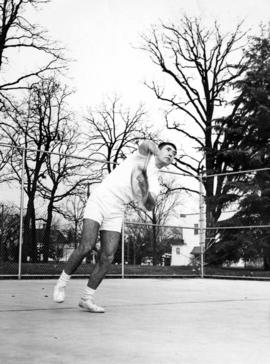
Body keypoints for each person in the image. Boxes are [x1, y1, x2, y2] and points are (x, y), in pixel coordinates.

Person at [53, 140, 177, 312]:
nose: (171, 154)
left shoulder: (155, 181)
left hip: (117, 209)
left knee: (108, 256)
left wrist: (144, 187)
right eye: (168, 150)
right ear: (159, 150)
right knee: (87, 245)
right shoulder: (142, 157)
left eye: (174, 154)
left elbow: (150, 205)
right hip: (100, 198)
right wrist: (153, 151)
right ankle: (61, 284)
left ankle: (86, 299)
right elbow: (146, 144)